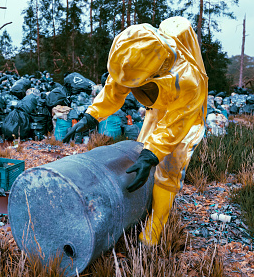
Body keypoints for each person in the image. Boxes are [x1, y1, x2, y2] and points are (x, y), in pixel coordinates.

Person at [63, 17, 208, 246]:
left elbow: (175, 124)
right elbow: (115, 88)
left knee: (169, 166)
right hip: (157, 104)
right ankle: (143, 204)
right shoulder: (137, 57)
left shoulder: (189, 80)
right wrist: (91, 116)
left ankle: (156, 225)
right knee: (140, 153)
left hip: (185, 113)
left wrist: (153, 155)